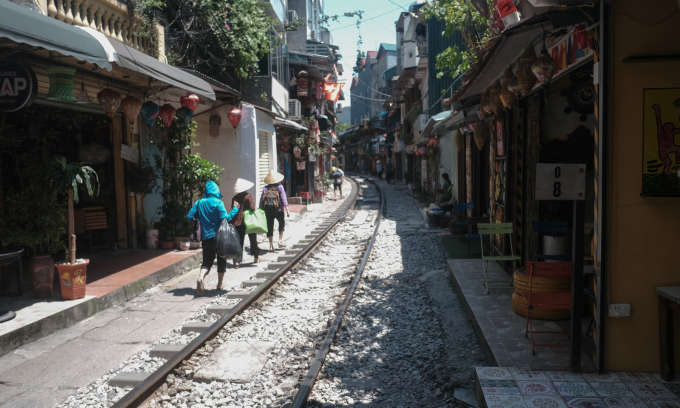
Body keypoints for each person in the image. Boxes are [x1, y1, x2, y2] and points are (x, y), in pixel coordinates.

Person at [187, 181, 239, 296]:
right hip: (220, 237)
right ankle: (220, 284)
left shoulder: (199, 202)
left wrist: (200, 216)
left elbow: (189, 217)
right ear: (216, 191)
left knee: (207, 261)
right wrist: (235, 209)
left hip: (206, 238)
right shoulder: (218, 203)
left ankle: (201, 277)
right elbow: (225, 219)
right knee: (221, 259)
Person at [230, 178, 260, 269]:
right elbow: (253, 208)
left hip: (237, 223)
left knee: (238, 242)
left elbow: (233, 208)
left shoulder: (235, 198)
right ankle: (256, 257)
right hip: (249, 221)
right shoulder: (248, 196)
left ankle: (237, 262)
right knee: (253, 240)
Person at [260, 170, 290, 251]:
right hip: (279, 209)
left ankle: (270, 246)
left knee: (270, 226)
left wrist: (261, 211)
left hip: (268, 210)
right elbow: (283, 198)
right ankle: (280, 240)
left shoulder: (265, 188)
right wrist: (287, 210)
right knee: (281, 223)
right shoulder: (280, 187)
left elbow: (261, 200)